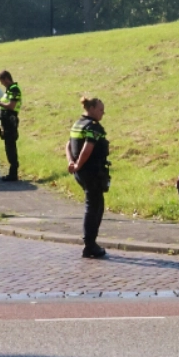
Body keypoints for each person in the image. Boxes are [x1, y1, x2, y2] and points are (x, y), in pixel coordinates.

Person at [65, 96, 111, 259]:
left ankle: (91, 243)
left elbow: (68, 145)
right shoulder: (93, 127)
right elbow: (88, 147)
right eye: (100, 110)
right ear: (91, 109)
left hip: (81, 172)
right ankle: (89, 245)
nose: (102, 113)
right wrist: (78, 164)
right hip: (91, 171)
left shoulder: (77, 124)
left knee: (97, 204)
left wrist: (72, 162)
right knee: (93, 207)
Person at [0, 70, 23, 182]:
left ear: (7, 79)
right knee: (8, 146)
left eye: (2, 81)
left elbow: (11, 106)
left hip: (10, 120)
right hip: (6, 121)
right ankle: (12, 172)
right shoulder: (9, 89)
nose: (2, 84)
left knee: (10, 147)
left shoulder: (14, 89)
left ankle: (13, 173)